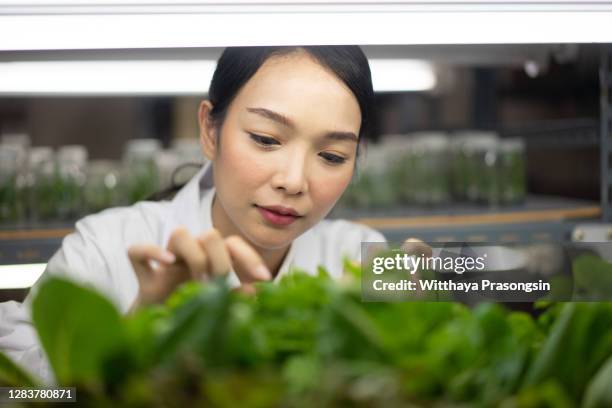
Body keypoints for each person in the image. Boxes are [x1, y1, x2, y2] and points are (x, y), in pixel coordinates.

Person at [0, 45, 395, 382]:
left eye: (332, 156)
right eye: (265, 139)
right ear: (209, 129)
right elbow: (18, 391)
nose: (293, 181)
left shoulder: (364, 255)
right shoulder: (104, 248)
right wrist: (136, 337)